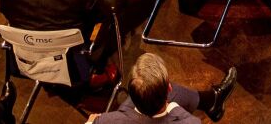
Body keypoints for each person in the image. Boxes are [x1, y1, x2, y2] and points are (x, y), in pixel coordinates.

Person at [92, 53, 237, 124]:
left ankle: (211, 101)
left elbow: (93, 120)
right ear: (169, 88)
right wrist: (173, 107)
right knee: (158, 84)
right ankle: (212, 101)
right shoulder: (190, 122)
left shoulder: (106, 120)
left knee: (150, 83)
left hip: (131, 117)